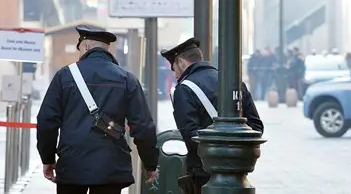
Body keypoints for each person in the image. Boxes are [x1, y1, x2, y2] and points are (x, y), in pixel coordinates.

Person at [36, 25, 160, 194]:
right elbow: (143, 126)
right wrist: (150, 164)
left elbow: (46, 122)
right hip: (110, 166)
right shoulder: (127, 79)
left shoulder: (64, 76)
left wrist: (48, 158)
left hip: (72, 165)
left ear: (85, 46)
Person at [161, 38, 264, 194]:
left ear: (181, 62)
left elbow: (190, 134)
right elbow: (256, 126)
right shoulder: (234, 83)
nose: (174, 73)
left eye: (173, 67)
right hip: (239, 175)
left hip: (203, 172)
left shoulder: (185, 89)